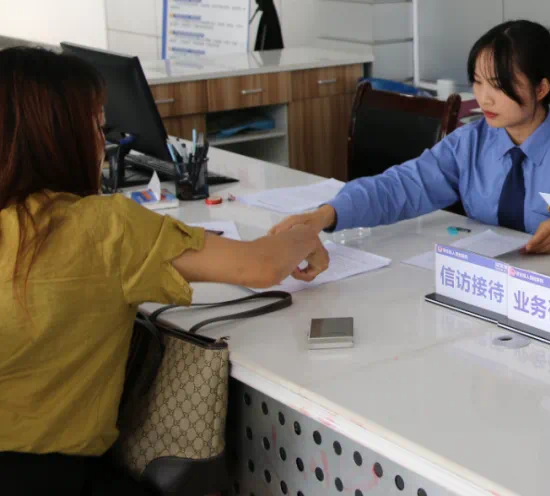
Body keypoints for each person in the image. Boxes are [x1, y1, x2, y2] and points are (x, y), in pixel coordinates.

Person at [0, 47, 330, 496]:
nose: (105, 145)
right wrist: (307, 234)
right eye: (98, 128)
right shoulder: (101, 228)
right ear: (60, 139)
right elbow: (261, 265)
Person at [273, 20, 550, 252]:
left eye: (499, 86)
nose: (484, 98)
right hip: (481, 284)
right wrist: (326, 215)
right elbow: (401, 186)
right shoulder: (470, 143)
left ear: (541, 88)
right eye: (478, 82)